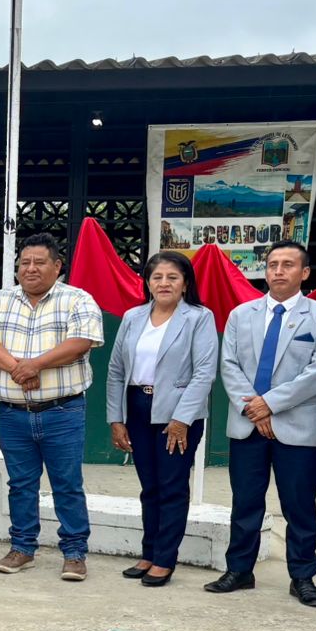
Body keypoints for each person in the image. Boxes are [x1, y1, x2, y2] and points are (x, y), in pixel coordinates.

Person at [205, 240, 316, 608]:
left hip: (296, 427)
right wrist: (256, 408)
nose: (278, 271)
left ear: (305, 272)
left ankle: (302, 576)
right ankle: (239, 570)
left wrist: (271, 405)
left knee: (299, 504)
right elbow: (229, 365)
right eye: (272, 264)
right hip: (247, 424)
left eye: (288, 264)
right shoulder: (241, 314)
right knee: (245, 501)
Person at [0, 233, 104, 581]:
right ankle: (22, 548)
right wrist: (20, 368)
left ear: (57, 266)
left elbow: (80, 342)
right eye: (25, 262)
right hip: (13, 413)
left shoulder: (77, 299)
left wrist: (36, 365)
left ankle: (74, 553)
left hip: (63, 412)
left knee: (67, 484)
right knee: (20, 485)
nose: (30, 268)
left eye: (39, 262)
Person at [105, 251, 218, 587]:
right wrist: (116, 419)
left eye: (172, 277)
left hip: (177, 412)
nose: (164, 283)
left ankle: (165, 559)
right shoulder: (133, 316)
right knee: (149, 486)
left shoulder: (199, 317)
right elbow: (116, 370)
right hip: (138, 407)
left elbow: (204, 372)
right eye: (157, 277)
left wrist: (182, 419)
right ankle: (149, 552)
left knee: (171, 486)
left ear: (185, 283)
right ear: (147, 282)